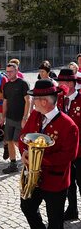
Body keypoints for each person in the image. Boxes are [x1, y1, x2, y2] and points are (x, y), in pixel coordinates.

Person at [19, 79, 79, 229]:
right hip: (34, 178)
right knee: (27, 207)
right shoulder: (35, 115)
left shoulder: (69, 125)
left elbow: (69, 156)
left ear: (44, 102)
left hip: (55, 181)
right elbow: (23, 136)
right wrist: (24, 152)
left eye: (35, 99)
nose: (32, 102)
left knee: (55, 222)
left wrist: (39, 160)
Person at [55, 69, 81, 221]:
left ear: (71, 83)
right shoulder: (59, 99)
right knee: (69, 183)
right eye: (58, 82)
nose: (59, 85)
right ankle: (72, 210)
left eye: (62, 82)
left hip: (80, 151)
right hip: (65, 151)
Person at [1, 62, 31, 174]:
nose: (8, 73)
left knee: (17, 141)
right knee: (9, 140)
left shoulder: (23, 83)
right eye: (7, 71)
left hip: (20, 118)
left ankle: (28, 161)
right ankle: (13, 164)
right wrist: (3, 117)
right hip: (9, 118)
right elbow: (5, 102)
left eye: (11, 71)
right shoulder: (7, 85)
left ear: (17, 71)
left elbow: (28, 100)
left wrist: (25, 117)